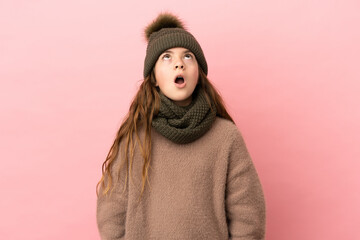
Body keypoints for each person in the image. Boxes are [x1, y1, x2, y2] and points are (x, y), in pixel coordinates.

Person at [96, 12, 266, 240]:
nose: (179, 63)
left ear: (199, 73)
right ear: (153, 77)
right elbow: (111, 211)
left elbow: (248, 215)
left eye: (188, 56)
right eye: (166, 57)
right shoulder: (135, 138)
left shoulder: (226, 137)